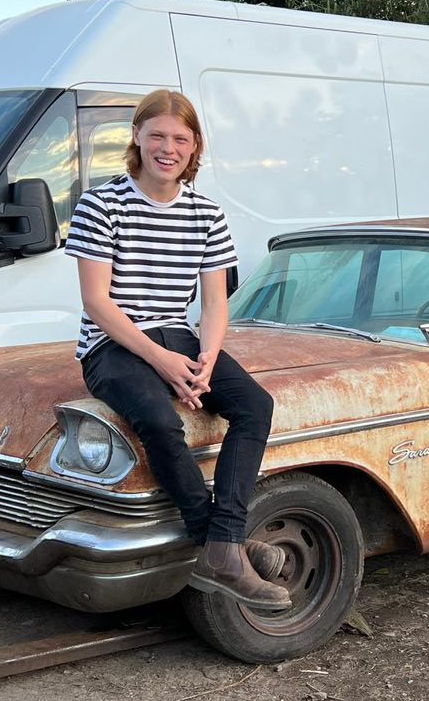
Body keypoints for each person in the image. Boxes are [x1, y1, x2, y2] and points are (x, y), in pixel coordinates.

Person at [65, 90, 290, 611]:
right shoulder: (102, 203)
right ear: (137, 138)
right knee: (160, 420)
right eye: (158, 135)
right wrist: (162, 361)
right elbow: (96, 302)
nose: (169, 148)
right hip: (112, 345)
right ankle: (222, 544)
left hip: (180, 336)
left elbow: (214, 303)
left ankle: (222, 542)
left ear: (194, 148)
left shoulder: (206, 214)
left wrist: (206, 359)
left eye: (180, 139)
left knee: (255, 407)